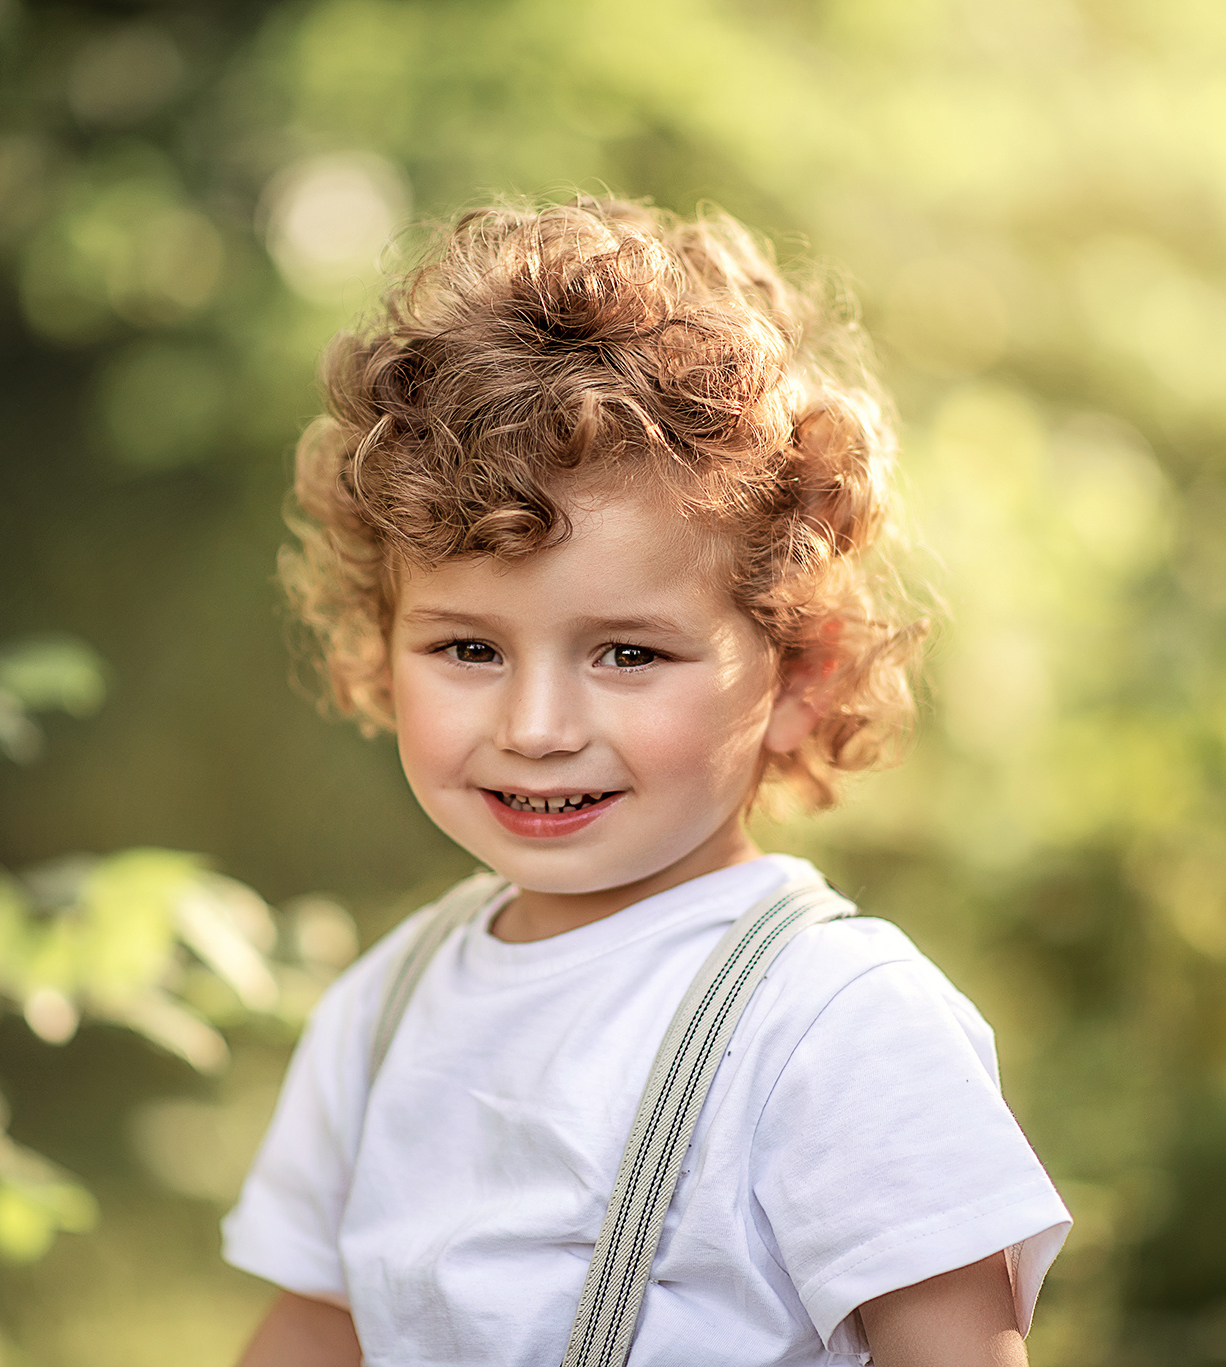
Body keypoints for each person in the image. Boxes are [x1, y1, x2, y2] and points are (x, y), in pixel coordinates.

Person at [223, 195, 1070, 1367]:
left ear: (797, 676)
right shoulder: (383, 1009)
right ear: (381, 643)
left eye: (627, 653)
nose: (534, 726)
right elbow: (318, 1330)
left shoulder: (834, 1020)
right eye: (469, 648)